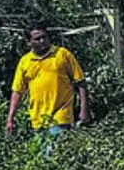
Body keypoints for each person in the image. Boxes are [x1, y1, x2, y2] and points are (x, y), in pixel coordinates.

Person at [5, 23, 89, 153]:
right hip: (38, 119)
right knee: (42, 156)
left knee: (52, 153)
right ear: (29, 43)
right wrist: (10, 118)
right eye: (37, 39)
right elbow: (18, 91)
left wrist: (84, 110)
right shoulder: (25, 62)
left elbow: (81, 82)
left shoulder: (62, 54)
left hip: (61, 116)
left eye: (44, 37)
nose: (42, 41)